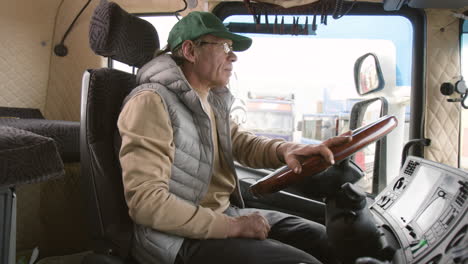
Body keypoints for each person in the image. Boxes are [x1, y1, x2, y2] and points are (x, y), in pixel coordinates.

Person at [117, 11, 352, 264]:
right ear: (190, 51)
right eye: (225, 46)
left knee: (329, 240)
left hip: (221, 214)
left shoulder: (209, 99)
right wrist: (232, 227)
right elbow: (146, 203)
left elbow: (241, 143)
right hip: (174, 240)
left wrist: (286, 150)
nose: (233, 56)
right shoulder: (151, 103)